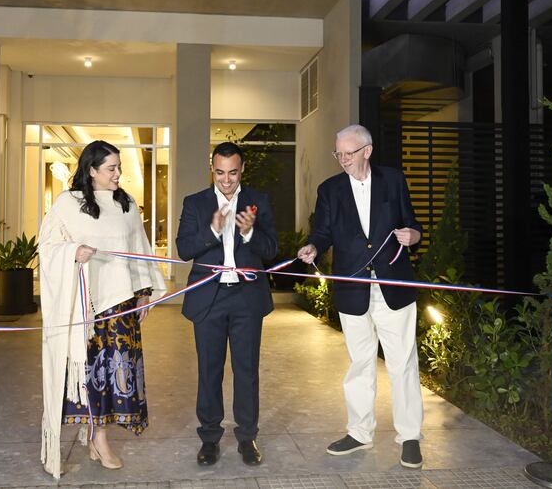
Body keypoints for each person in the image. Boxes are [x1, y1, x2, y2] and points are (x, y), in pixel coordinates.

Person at [297, 124, 424, 469]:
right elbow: (322, 232)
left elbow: (413, 224)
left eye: (348, 153)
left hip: (394, 287)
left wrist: (414, 235)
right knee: (360, 363)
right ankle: (359, 432)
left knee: (402, 363)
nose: (342, 160)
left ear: (367, 151)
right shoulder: (330, 189)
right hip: (352, 289)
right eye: (337, 153)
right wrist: (313, 247)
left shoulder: (394, 181)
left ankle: (410, 436)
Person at [38, 140, 165, 479]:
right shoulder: (69, 204)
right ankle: (99, 439)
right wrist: (73, 251)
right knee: (92, 375)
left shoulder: (127, 204)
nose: (118, 174)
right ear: (91, 170)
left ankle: (99, 437)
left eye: (119, 167)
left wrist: (144, 292)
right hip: (87, 308)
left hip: (122, 305)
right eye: (111, 168)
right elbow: (47, 246)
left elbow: (140, 249)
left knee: (116, 374)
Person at [176, 141, 278, 467]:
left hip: (247, 299)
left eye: (232, 172)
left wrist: (249, 234)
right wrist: (212, 230)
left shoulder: (257, 201)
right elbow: (183, 248)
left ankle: (247, 438)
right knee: (209, 371)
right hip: (209, 299)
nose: (226, 179)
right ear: (212, 169)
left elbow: (272, 248)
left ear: (242, 169)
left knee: (246, 371)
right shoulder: (195, 203)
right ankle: (209, 439)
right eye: (220, 172)